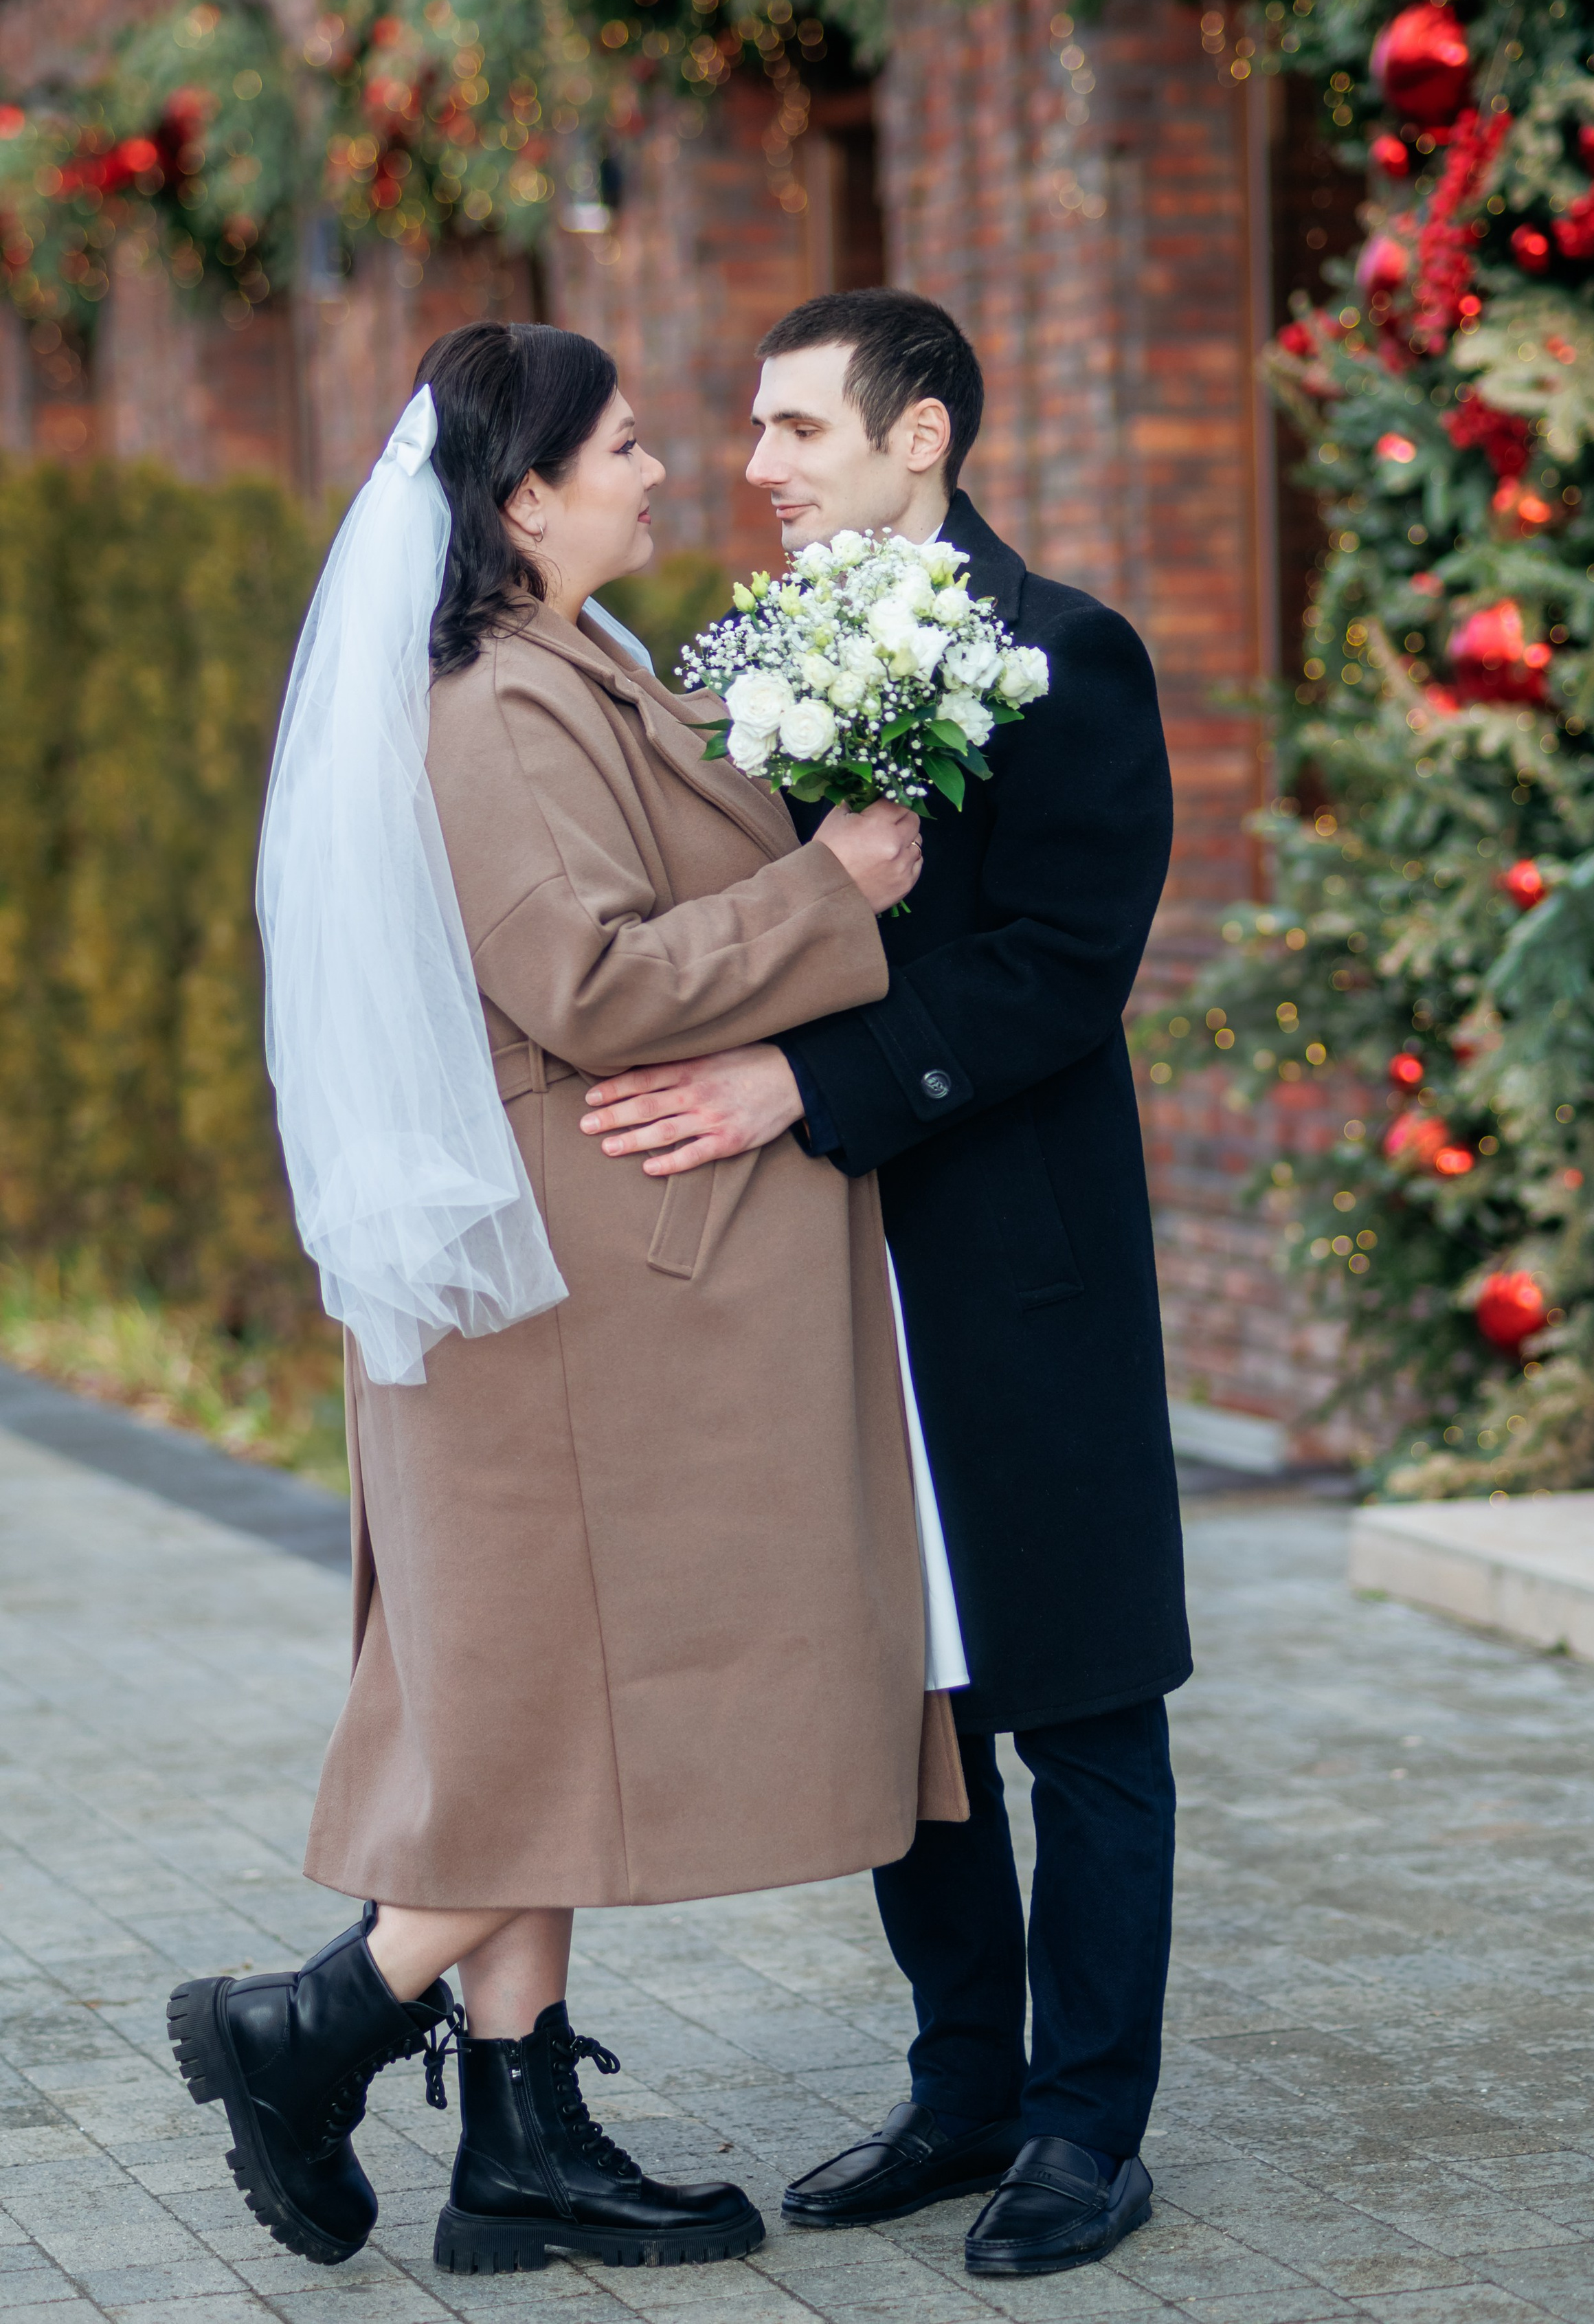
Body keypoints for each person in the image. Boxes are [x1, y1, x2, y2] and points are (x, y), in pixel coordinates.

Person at [166, 320, 967, 2279]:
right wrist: (835, 886)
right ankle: (316, 2019)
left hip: (584, 1286)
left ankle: (521, 2142)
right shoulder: (493, 708)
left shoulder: (579, 661)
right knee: (559, 1706)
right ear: (520, 499)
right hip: (567, 1304)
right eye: (624, 446)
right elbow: (590, 985)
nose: (664, 470)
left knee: (525, 1711)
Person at [580, 288, 1191, 2280]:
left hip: (1018, 1262)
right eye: (749, 432)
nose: (755, 469)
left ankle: (1091, 2129)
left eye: (794, 431)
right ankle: (964, 2089)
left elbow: (1054, 969)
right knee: (907, 1689)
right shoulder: (754, 656)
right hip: (824, 1277)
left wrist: (798, 1077)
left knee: (1081, 1703)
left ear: (922, 437)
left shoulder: (1067, 654)